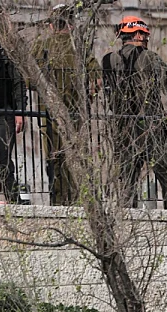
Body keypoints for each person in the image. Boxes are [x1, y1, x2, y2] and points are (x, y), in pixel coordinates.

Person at [102, 16, 167, 210]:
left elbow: (108, 93)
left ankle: (126, 216)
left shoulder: (108, 60)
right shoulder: (150, 58)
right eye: (145, 36)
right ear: (137, 35)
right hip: (151, 124)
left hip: (123, 126)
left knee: (127, 179)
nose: (146, 39)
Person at [31, 3, 101, 205]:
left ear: (51, 25)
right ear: (71, 24)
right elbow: (97, 80)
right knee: (76, 158)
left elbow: (29, 81)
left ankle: (57, 202)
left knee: (54, 158)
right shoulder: (79, 47)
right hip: (75, 114)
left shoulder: (41, 46)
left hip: (48, 114)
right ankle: (76, 202)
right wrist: (88, 98)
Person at [0, 39, 26, 204]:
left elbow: (18, 83)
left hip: (3, 111)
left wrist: (20, 111)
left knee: (3, 160)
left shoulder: (4, 50)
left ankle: (14, 200)